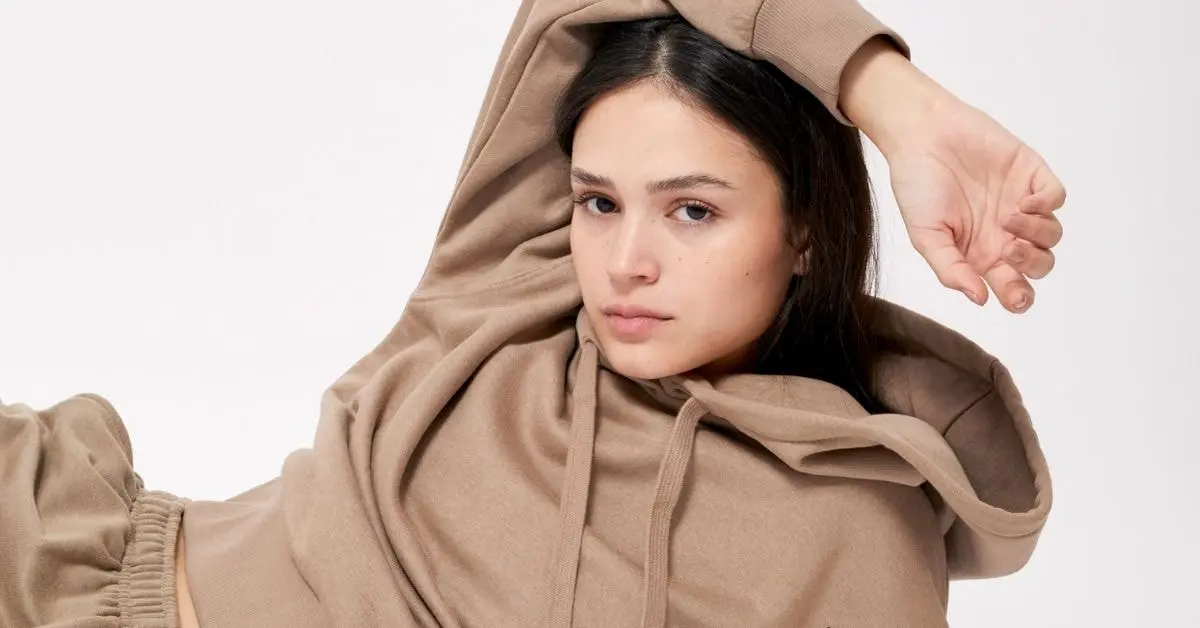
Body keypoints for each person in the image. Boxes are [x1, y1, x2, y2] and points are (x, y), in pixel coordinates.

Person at [0, 1, 1062, 627]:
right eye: (598, 201)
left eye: (692, 210)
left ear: (807, 234)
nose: (624, 262)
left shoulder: (856, 527)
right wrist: (899, 103)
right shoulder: (514, 284)